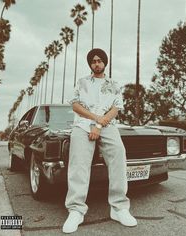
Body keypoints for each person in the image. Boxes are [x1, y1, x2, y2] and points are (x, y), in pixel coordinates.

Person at [63, 48, 137, 233]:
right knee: (79, 163)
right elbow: (75, 105)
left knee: (119, 155)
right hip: (82, 125)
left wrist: (101, 123)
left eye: (100, 60)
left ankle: (119, 207)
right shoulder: (81, 82)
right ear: (90, 64)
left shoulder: (113, 84)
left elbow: (116, 108)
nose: (97, 63)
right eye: (93, 61)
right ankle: (76, 210)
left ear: (105, 62)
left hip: (107, 125)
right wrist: (95, 119)